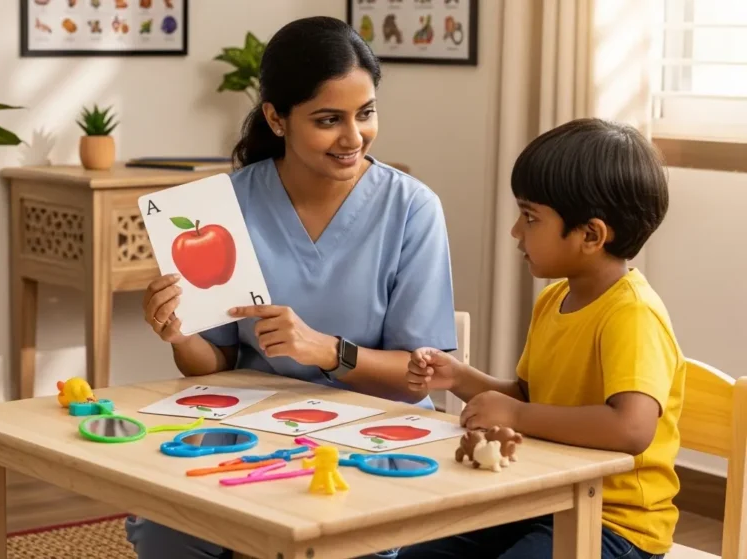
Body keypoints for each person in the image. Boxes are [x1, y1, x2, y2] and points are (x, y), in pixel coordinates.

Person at [127, 15, 457, 559]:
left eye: (366, 113)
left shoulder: (411, 209)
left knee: (336, 536)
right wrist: (179, 334)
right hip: (251, 426)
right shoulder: (223, 205)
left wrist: (326, 350)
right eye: (329, 120)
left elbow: (417, 381)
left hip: (369, 434)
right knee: (166, 528)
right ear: (276, 119)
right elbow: (213, 363)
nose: (354, 137)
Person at [399, 118, 683, 559]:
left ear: (591, 235)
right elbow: (531, 398)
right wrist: (458, 377)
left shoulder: (633, 314)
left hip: (615, 524)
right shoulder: (554, 300)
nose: (516, 231)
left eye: (530, 217)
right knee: (415, 551)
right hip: (542, 496)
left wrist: (516, 412)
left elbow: (631, 428)